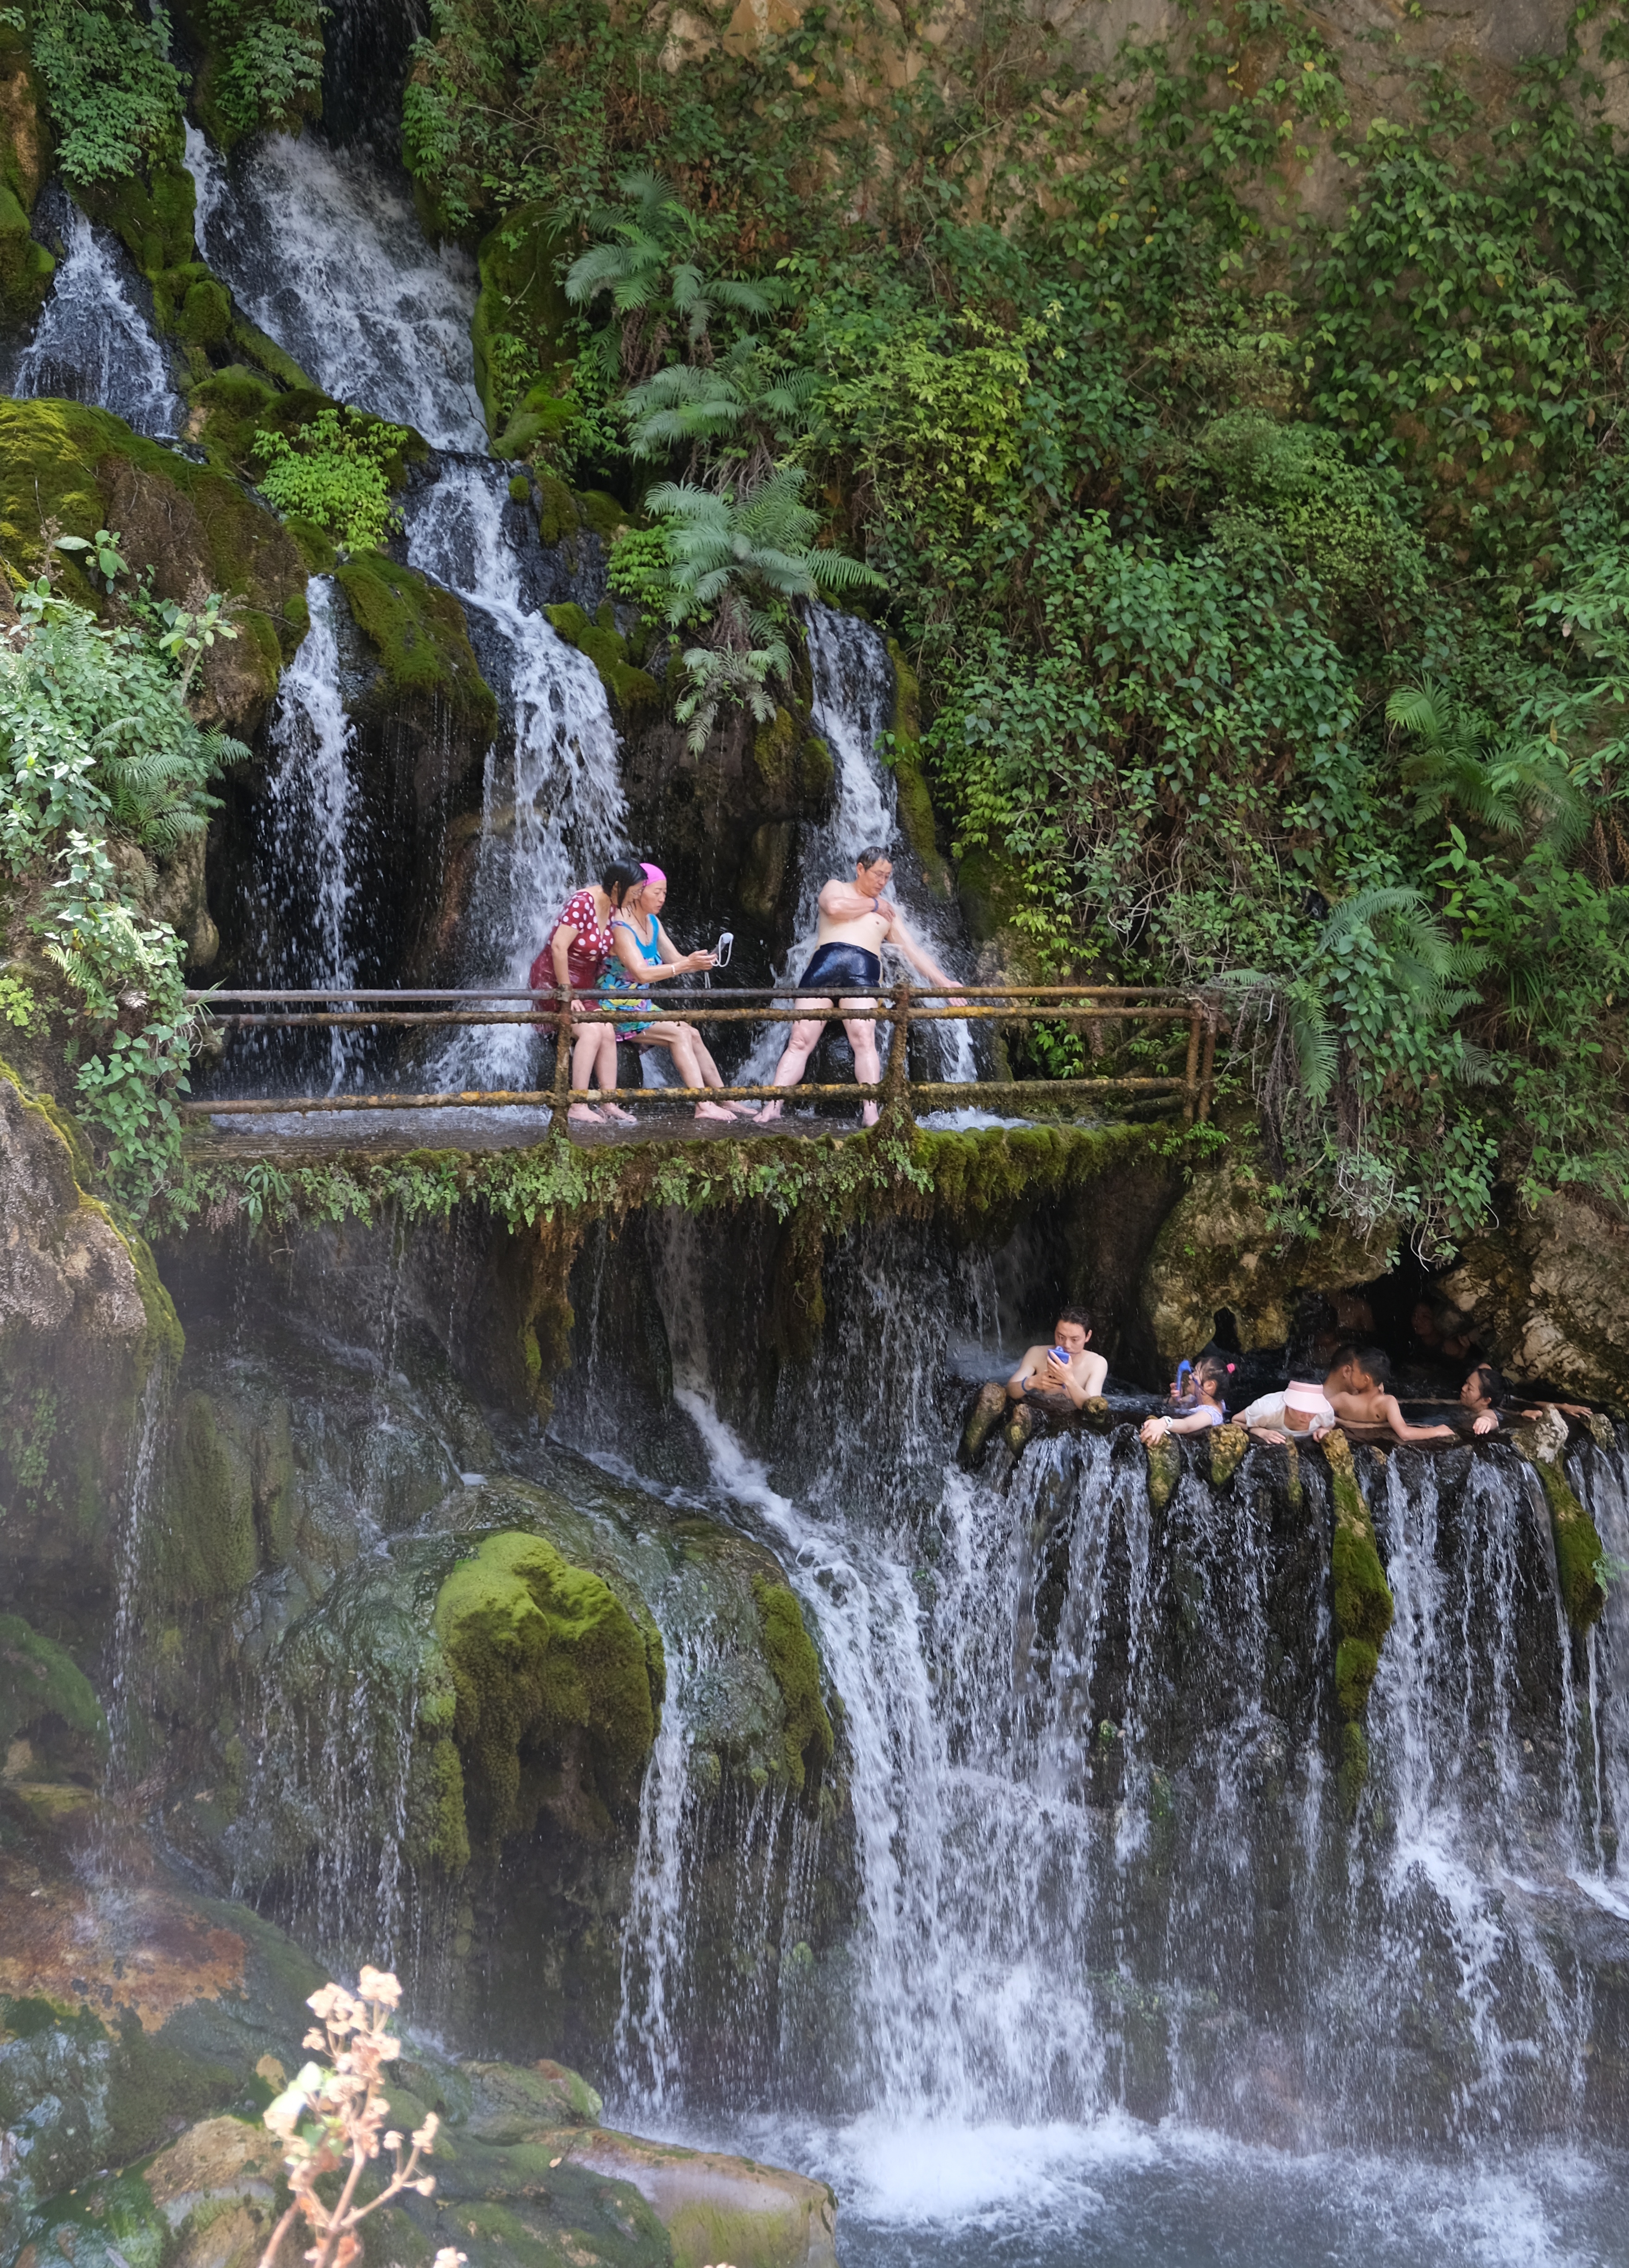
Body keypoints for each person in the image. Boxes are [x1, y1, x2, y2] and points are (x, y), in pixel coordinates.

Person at [757, 847, 964, 1127]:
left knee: (864, 1039)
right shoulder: (837, 887)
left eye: (887, 877)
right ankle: (772, 1106)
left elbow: (913, 952)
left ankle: (870, 1112)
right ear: (860, 869)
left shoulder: (889, 912)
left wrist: (945, 982)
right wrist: (873, 905)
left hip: (863, 972)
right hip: (823, 967)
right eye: (878, 874)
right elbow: (833, 908)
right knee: (799, 1040)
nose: (882, 882)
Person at [601, 864, 744, 1123]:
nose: (662, 899)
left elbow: (676, 960)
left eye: (665, 893)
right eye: (657, 892)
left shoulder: (653, 923)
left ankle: (726, 1098)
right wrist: (685, 965)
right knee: (679, 1035)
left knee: (692, 1032)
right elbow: (643, 974)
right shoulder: (621, 927)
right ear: (639, 892)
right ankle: (703, 1105)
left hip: (640, 1006)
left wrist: (700, 961)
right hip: (614, 1008)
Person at [531, 862, 646, 1125]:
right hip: (554, 981)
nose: (637, 897)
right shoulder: (582, 902)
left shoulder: (615, 907)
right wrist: (567, 994)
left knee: (606, 1027)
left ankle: (608, 1102)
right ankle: (577, 1104)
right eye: (636, 891)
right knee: (591, 1031)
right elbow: (559, 947)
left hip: (583, 985)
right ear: (618, 887)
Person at [957, 1308, 1105, 1465]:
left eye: (1075, 1340)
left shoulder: (1097, 1363)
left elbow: (1093, 1408)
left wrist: (1069, 1380)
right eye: (1060, 1337)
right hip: (1036, 1416)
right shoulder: (1037, 1353)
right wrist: (1032, 1382)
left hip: (1072, 1427)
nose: (1066, 1345)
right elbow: (1010, 1390)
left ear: (1088, 1336)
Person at [1324, 1346, 1456, 1443]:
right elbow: (1405, 1433)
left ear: (1366, 1379)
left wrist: (1334, 1423)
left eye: (1354, 1371)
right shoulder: (1386, 1403)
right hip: (1378, 1444)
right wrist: (1437, 1431)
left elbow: (1318, 1411)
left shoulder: (1343, 1400)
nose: (1350, 1373)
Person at [1142, 1356, 1228, 1446]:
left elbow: (1186, 1425)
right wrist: (1175, 1399)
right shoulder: (1201, 1399)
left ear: (1209, 1386)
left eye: (1195, 1374)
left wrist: (1164, 1423)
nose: (1190, 1376)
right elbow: (1174, 1404)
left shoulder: (1209, 1414)